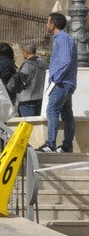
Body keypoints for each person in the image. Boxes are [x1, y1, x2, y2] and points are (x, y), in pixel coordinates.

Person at [37, 12, 78, 153]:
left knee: (52, 110)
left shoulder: (62, 38)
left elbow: (66, 60)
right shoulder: (64, 38)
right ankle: (67, 146)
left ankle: (50, 144)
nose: (46, 24)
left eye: (48, 22)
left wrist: (56, 78)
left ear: (52, 24)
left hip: (62, 83)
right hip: (67, 82)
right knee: (66, 113)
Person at [9, 41, 48, 117]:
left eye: (23, 52)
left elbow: (22, 79)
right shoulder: (43, 63)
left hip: (27, 100)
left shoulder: (27, 65)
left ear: (26, 52)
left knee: (27, 125)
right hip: (40, 98)